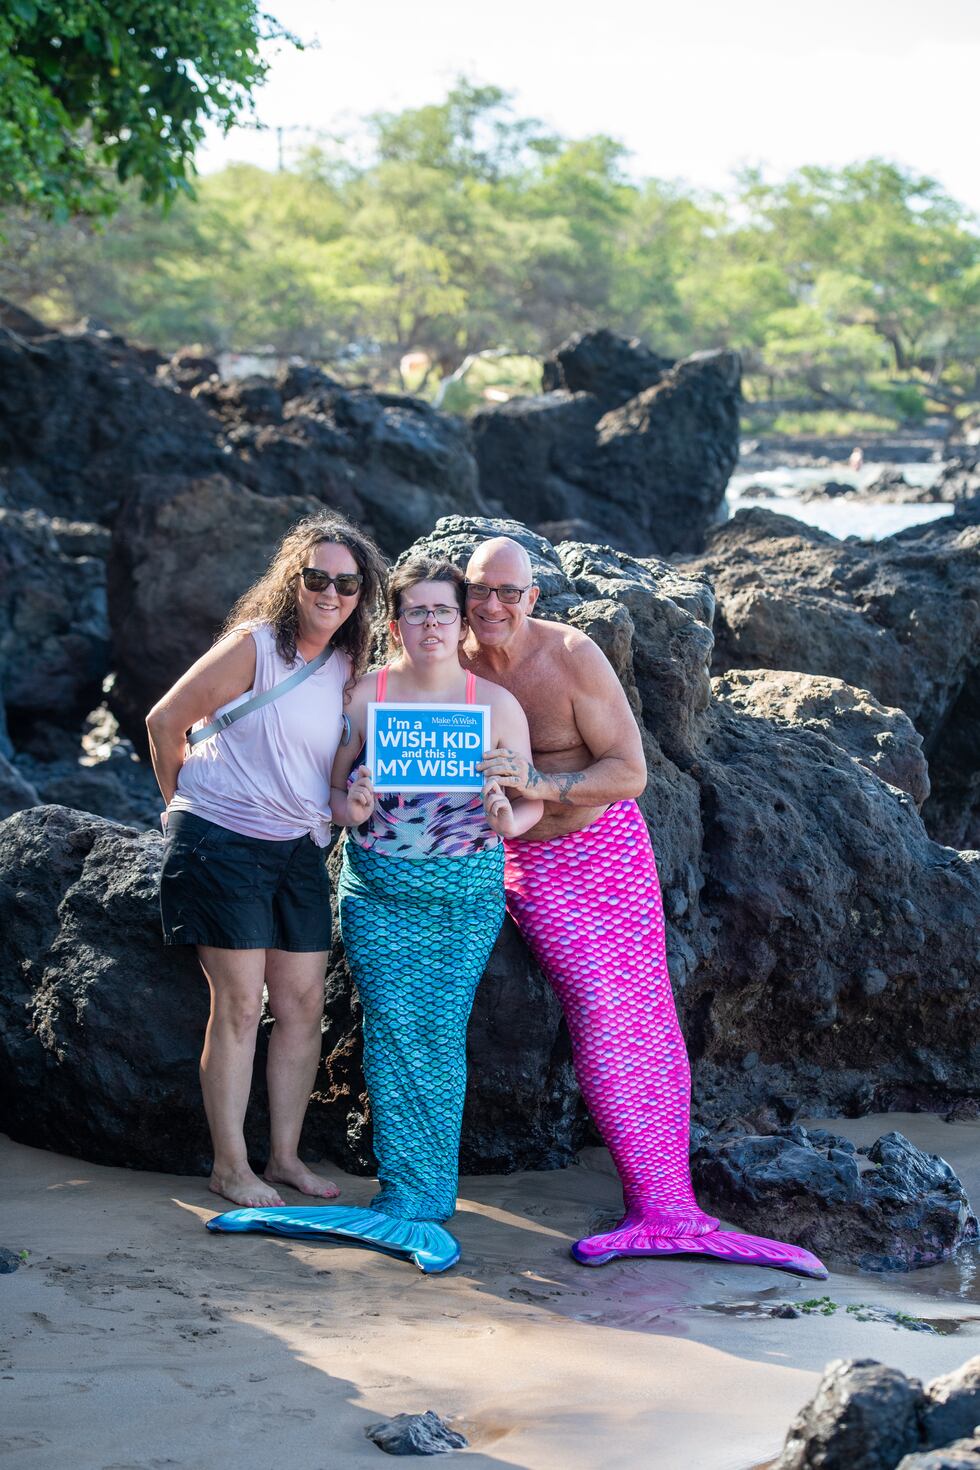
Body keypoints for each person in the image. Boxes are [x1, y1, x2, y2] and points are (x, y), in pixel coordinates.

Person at [464, 536, 826, 1278]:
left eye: (509, 591)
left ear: (533, 597)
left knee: (644, 1011)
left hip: (602, 849)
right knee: (601, 1005)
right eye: (480, 590)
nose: (493, 604)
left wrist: (537, 783)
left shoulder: (569, 655)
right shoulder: (449, 664)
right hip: (512, 859)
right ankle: (656, 1206)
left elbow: (628, 773)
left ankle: (672, 1208)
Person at [206, 557, 543, 1272]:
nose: (430, 625)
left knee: (441, 1034)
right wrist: (349, 805)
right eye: (416, 612)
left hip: (464, 899)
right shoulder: (364, 698)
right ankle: (399, 1189)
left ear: (461, 625)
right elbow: (330, 794)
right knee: (390, 1033)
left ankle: (426, 1194)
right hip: (379, 896)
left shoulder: (496, 704)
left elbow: (532, 801)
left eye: (443, 613)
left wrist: (510, 812)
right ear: (395, 624)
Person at [146, 511, 386, 1211]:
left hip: (299, 852)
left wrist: (354, 803)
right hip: (221, 843)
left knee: (304, 1004)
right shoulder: (255, 645)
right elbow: (166, 721)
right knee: (242, 1007)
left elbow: (326, 778)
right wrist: (176, 805)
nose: (331, 593)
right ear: (294, 580)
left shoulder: (348, 666)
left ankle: (283, 1157)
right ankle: (230, 1167)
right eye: (317, 578)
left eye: (347, 583)